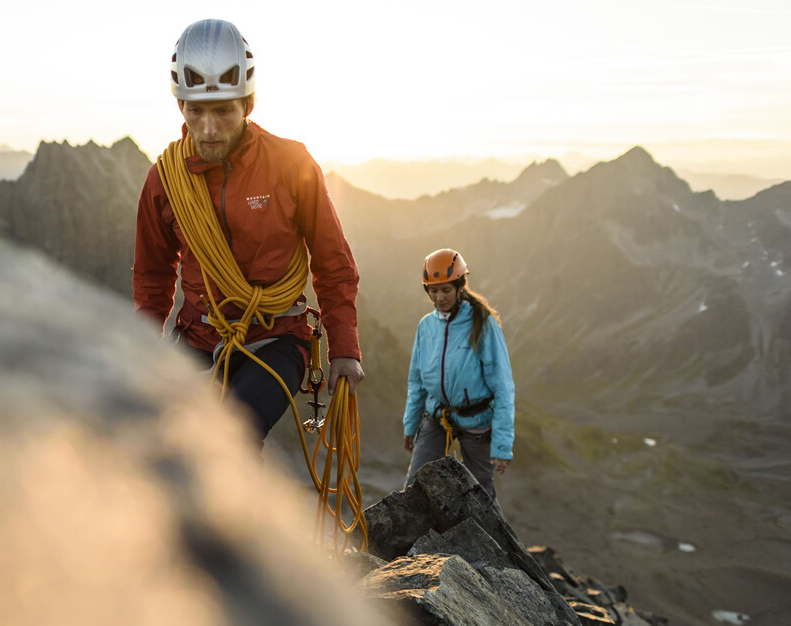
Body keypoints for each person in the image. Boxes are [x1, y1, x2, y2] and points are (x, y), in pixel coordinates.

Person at [133, 18, 363, 444]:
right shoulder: (164, 179)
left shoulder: (291, 165)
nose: (208, 128)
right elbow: (152, 274)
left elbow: (332, 261)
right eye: (195, 110)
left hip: (278, 336)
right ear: (180, 105)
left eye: (223, 110)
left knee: (234, 436)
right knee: (166, 442)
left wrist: (344, 348)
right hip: (199, 335)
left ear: (248, 104)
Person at [403, 248, 515, 501]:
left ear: (460, 287)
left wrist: (502, 445)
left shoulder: (483, 324)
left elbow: (503, 386)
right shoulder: (426, 326)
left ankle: (493, 541)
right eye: (433, 290)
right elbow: (417, 381)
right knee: (414, 487)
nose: (439, 297)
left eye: (446, 290)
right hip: (437, 417)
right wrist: (411, 425)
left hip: (477, 421)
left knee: (481, 494)